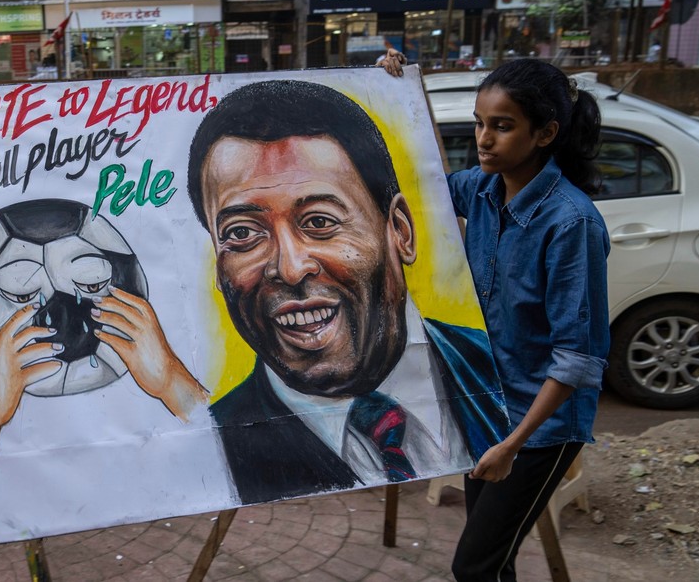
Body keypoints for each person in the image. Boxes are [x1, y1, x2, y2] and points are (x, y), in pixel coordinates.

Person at [178, 79, 509, 504]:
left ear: (400, 232)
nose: (291, 268)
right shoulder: (215, 447)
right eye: (242, 233)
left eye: (320, 221)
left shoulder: (495, 374)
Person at [444, 59, 610, 581]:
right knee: (494, 560)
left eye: (502, 125)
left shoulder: (571, 222)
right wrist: (395, 89)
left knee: (474, 567)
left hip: (539, 429)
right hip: (489, 407)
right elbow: (421, 177)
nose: (484, 139)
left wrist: (512, 445)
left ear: (546, 133)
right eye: (478, 122)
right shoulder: (481, 189)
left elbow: (577, 358)